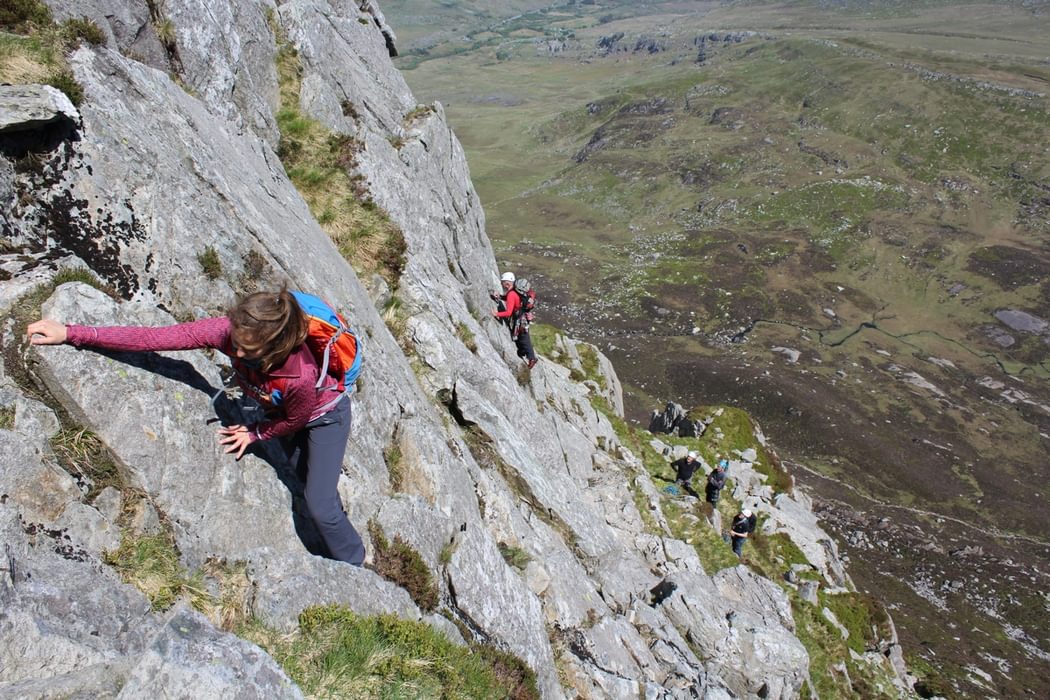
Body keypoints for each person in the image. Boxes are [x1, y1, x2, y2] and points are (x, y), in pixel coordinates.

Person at [26, 287, 366, 567]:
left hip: (325, 418)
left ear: (274, 347)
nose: (234, 349)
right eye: (235, 339)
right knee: (305, 478)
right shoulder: (231, 334)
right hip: (285, 411)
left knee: (319, 504)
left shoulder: (299, 376)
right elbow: (155, 339)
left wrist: (255, 433)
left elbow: (297, 419)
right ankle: (327, 504)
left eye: (247, 348)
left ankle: (354, 565)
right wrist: (72, 333)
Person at [491, 271, 537, 369]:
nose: (501, 283)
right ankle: (522, 352)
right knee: (520, 336)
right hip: (523, 317)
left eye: (503, 282)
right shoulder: (515, 291)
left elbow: (508, 312)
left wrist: (496, 314)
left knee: (524, 338)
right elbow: (510, 299)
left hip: (520, 319)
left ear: (507, 283)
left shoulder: (512, 294)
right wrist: (500, 297)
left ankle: (532, 358)